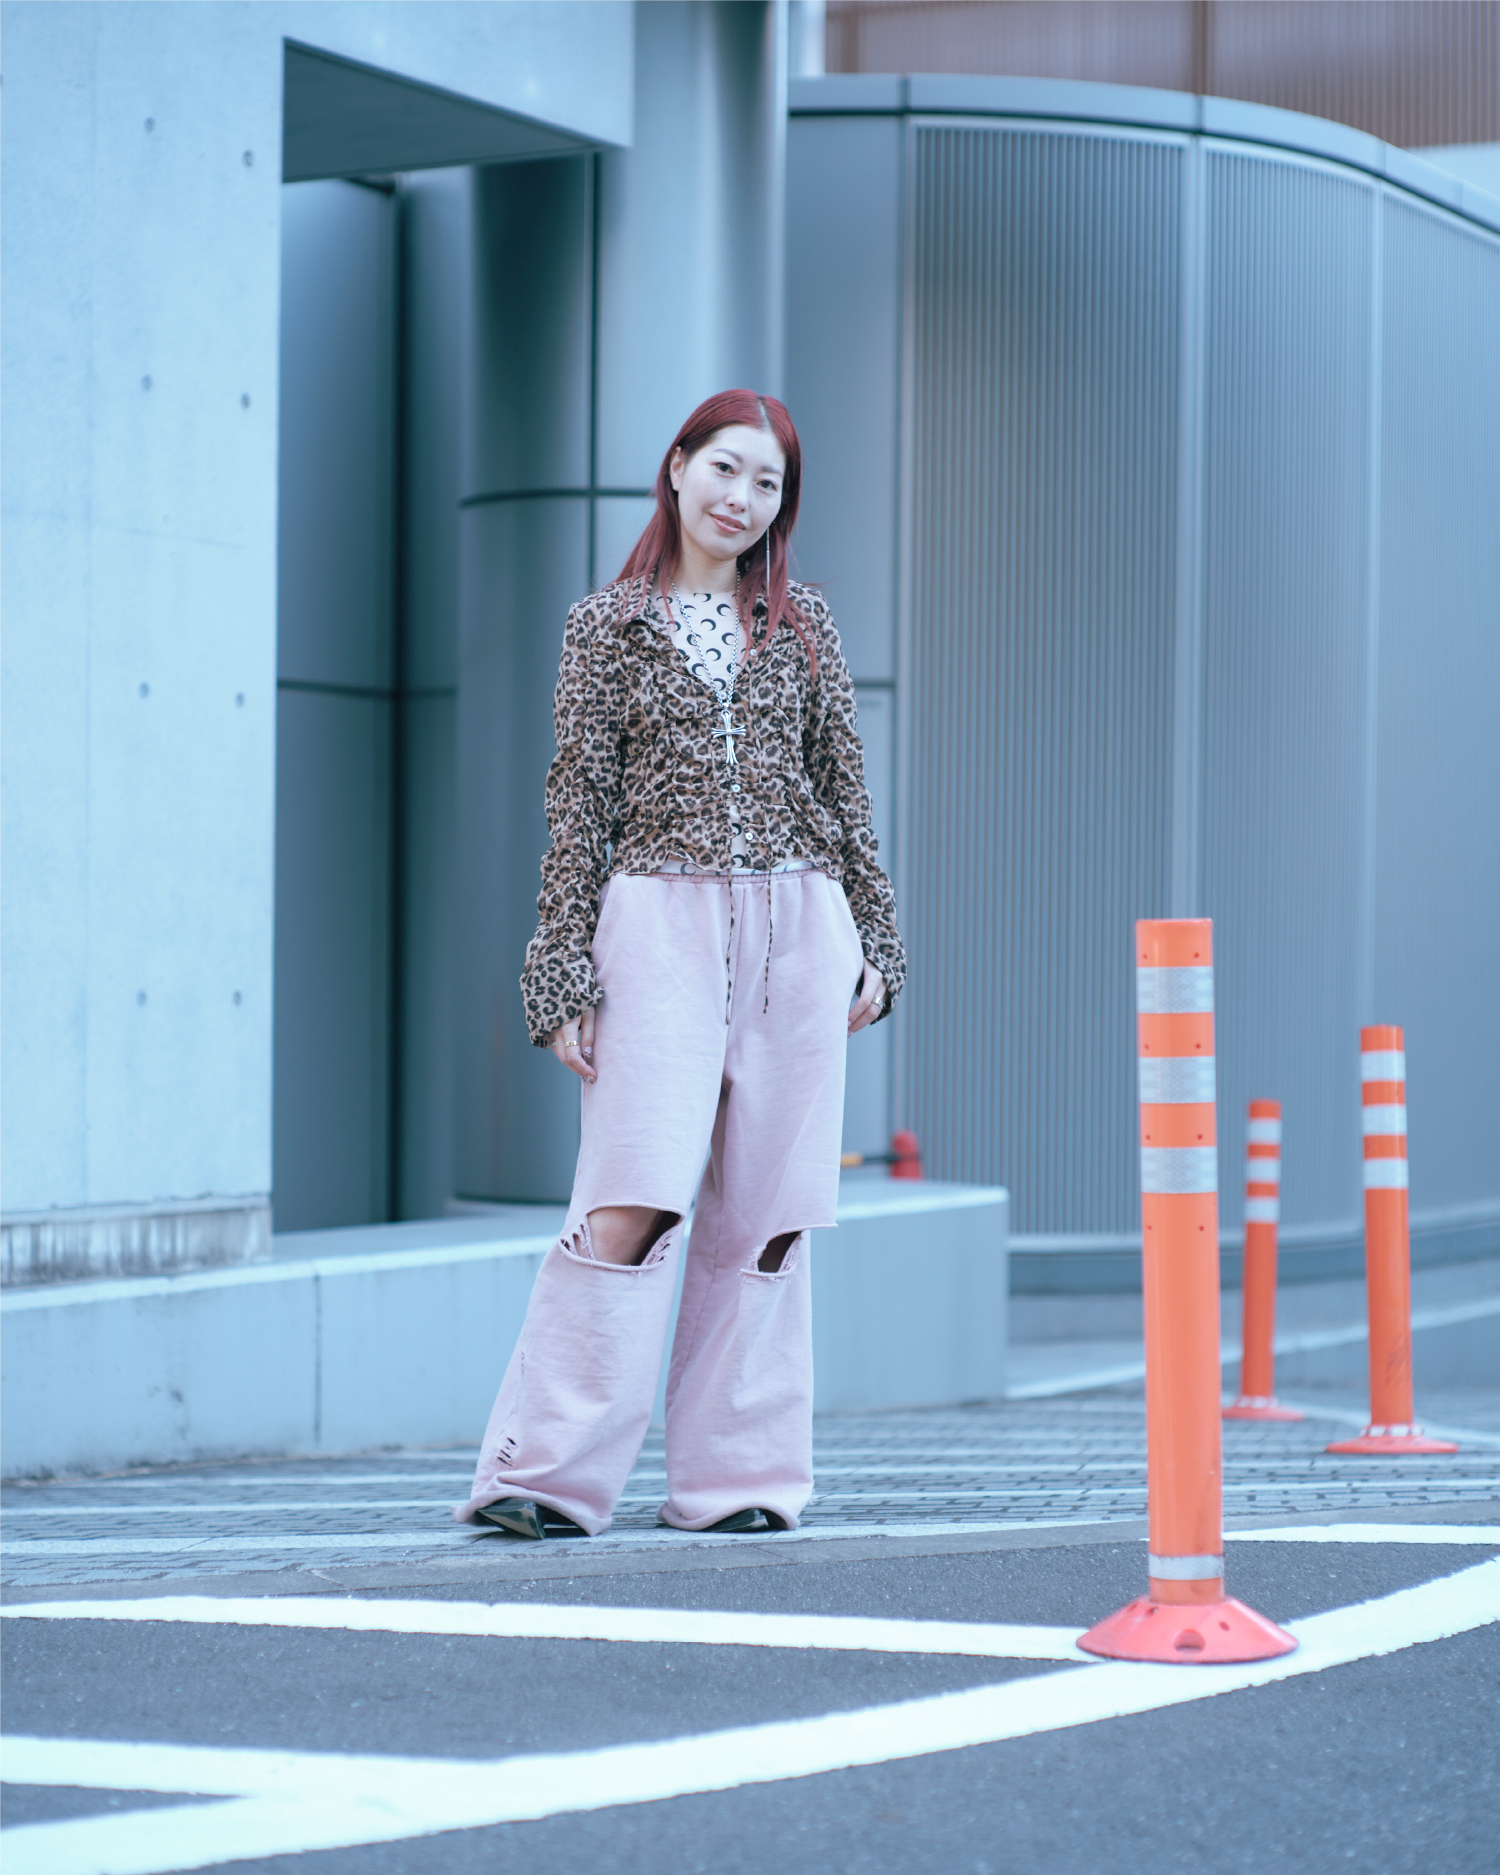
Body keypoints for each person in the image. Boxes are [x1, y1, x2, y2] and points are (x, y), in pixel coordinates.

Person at [455, 389, 906, 1539]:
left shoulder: (804, 624)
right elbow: (578, 808)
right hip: (655, 922)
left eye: (768, 485)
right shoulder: (602, 626)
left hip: (801, 927)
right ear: (674, 468)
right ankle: (543, 1475)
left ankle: (737, 1480)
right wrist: (558, 971)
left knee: (768, 1217)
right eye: (725, 470)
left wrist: (877, 942)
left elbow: (846, 796)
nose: (740, 500)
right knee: (630, 1203)